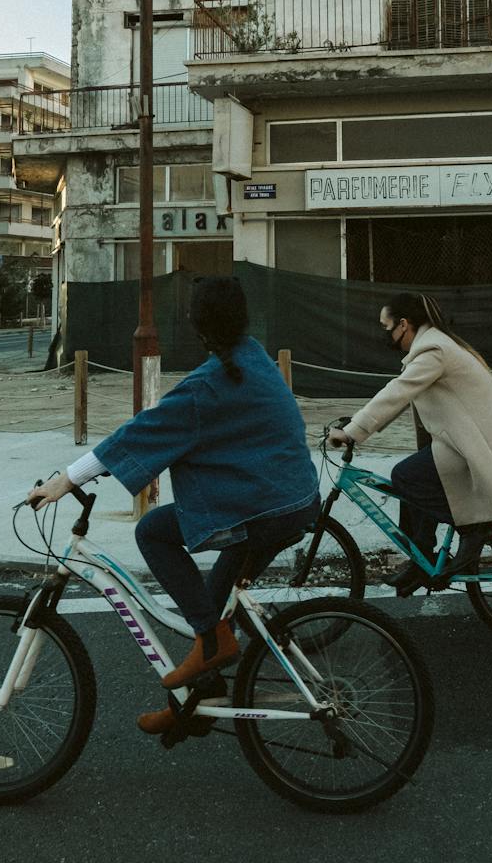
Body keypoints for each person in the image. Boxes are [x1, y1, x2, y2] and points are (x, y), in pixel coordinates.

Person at [25, 276, 317, 736]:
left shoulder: (208, 385)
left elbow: (142, 433)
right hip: (291, 496)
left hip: (266, 505)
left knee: (154, 532)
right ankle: (199, 700)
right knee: (213, 607)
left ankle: (211, 646)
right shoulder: (251, 355)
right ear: (242, 318)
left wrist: (66, 479)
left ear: (196, 326)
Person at [330, 291, 492, 597]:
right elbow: (401, 398)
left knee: (405, 476)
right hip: (466, 441)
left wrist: (353, 432)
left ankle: (473, 529)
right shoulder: (435, 346)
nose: (386, 336)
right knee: (411, 479)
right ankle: (420, 558)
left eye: (387, 328)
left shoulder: (434, 350)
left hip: (476, 446)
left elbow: (398, 391)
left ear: (404, 324)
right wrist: (356, 424)